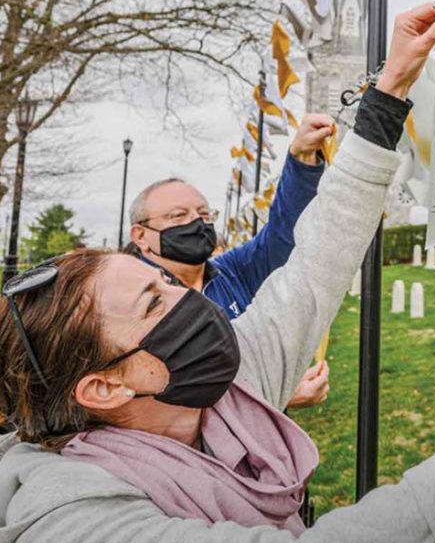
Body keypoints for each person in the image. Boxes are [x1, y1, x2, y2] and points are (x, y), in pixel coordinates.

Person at [0, 3, 435, 543]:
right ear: (104, 387)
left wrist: (390, 91)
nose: (187, 300)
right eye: (153, 303)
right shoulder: (64, 537)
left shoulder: (226, 391)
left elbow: (319, 257)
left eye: (167, 284)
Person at [125, 114, 335, 408]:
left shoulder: (231, 272)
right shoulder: (126, 303)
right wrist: (271, 397)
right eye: (178, 216)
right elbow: (148, 405)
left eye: (204, 214)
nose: (197, 223)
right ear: (140, 235)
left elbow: (283, 232)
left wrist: (302, 160)